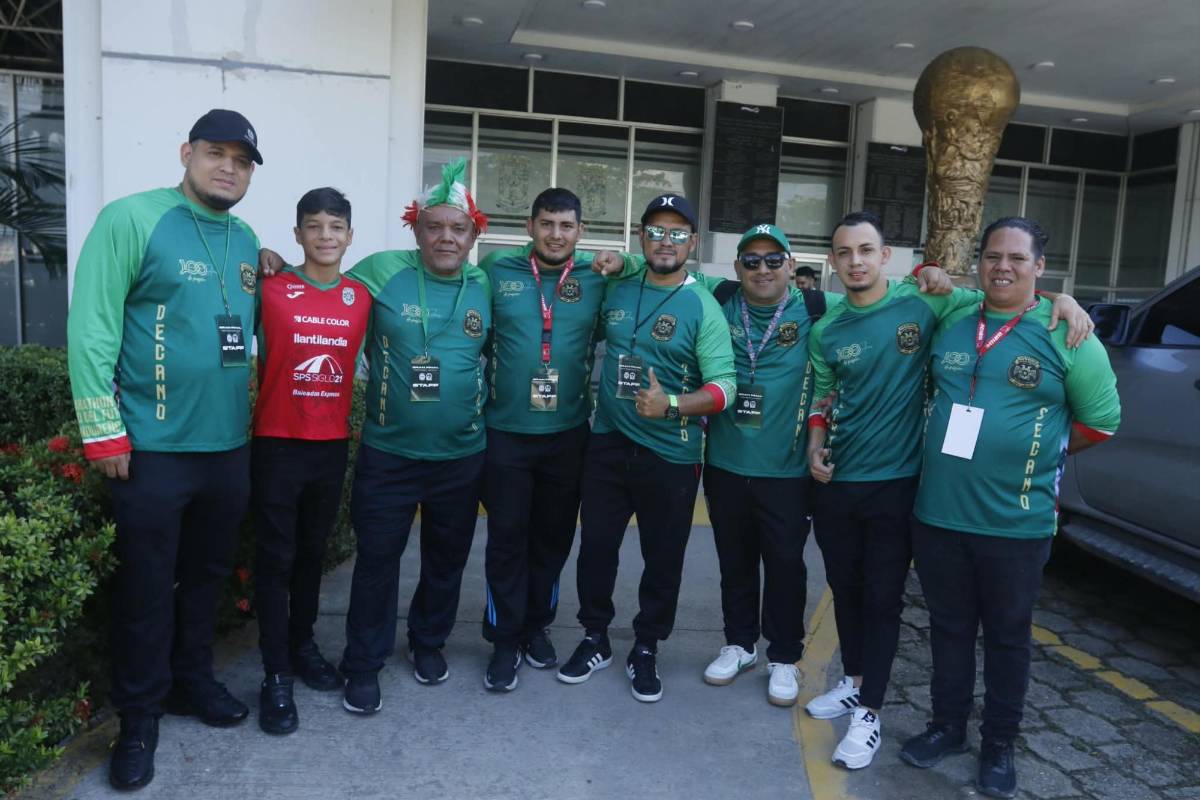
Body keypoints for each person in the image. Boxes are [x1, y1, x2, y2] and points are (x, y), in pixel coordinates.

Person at [803, 211, 1092, 770]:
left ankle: (870, 713)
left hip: (901, 484)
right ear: (833, 262)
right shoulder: (826, 329)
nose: (855, 260)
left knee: (884, 598)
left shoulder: (930, 303)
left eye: (866, 249)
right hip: (838, 483)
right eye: (844, 252)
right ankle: (856, 680)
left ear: (887, 256)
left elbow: (1005, 290)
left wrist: (1063, 299)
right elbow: (823, 393)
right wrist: (816, 443)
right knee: (847, 588)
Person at [67, 109, 265, 790]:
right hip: (150, 449)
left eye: (242, 161)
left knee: (206, 578)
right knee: (147, 588)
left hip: (227, 449)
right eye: (216, 154)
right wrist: (103, 429)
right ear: (187, 153)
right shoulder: (132, 218)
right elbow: (92, 325)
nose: (228, 169)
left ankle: (191, 681)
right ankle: (140, 720)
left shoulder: (244, 238)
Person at [899, 217, 1119, 799]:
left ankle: (999, 743)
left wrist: (1041, 447)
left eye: (1017, 259)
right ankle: (946, 726)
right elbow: (924, 281)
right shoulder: (955, 316)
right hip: (939, 513)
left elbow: (1102, 421)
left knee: (1006, 636)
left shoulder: (1067, 331)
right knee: (946, 629)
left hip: (1015, 523)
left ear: (1040, 268)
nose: (1003, 267)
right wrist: (928, 271)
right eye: (993, 256)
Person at [556, 193, 736, 703]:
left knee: (663, 558)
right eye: (657, 230)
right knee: (595, 549)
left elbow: (726, 388)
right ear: (641, 237)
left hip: (671, 455)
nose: (667, 241)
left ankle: (646, 646)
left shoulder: (703, 304)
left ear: (693, 243)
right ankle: (595, 638)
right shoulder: (618, 284)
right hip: (608, 443)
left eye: (679, 233)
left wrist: (674, 404)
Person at [336, 159, 491, 715]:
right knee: (378, 560)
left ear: (475, 233)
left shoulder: (485, 284)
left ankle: (428, 642)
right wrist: (276, 264)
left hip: (462, 456)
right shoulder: (380, 271)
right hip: (390, 454)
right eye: (434, 226)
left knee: (446, 560)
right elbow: (322, 291)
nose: (446, 237)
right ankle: (363, 662)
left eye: (458, 228)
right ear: (416, 227)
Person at [477, 188, 617, 691]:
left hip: (568, 436)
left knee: (553, 541)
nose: (555, 234)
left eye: (566, 226)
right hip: (506, 434)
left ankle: (537, 626)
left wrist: (622, 260)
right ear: (529, 227)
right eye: (546, 224)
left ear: (580, 231)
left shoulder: (597, 280)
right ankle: (504, 639)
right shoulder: (496, 272)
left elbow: (668, 276)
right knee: (506, 540)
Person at [250, 188, 370, 734]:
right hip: (276, 444)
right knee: (275, 560)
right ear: (297, 234)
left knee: (311, 556)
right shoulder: (269, 289)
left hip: (329, 446)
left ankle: (301, 647)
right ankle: (275, 674)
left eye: (336, 227)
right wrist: (260, 255)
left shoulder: (360, 297)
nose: (326, 236)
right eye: (314, 226)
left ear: (349, 236)